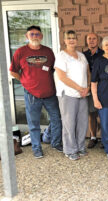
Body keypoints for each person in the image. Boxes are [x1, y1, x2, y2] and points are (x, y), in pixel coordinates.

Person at [9, 25, 62, 159]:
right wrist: (25, 81)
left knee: (56, 119)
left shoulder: (48, 52)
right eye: (32, 34)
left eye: (37, 34)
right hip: (31, 94)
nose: (35, 37)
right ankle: (36, 148)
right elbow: (13, 71)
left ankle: (55, 143)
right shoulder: (20, 52)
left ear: (41, 36)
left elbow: (54, 70)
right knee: (34, 123)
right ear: (27, 36)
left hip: (50, 93)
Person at [55, 30, 90, 161]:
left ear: (77, 40)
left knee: (82, 122)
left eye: (74, 38)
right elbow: (62, 77)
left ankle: (80, 147)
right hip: (68, 93)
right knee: (69, 123)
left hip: (82, 94)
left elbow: (88, 72)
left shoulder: (81, 55)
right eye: (68, 38)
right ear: (64, 41)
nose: (71, 40)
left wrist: (86, 88)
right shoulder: (61, 56)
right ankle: (70, 149)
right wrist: (79, 88)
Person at [83, 33, 104, 149]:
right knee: (92, 113)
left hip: (102, 88)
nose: (91, 41)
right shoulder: (82, 55)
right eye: (89, 39)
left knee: (102, 114)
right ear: (86, 41)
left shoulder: (103, 54)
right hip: (88, 88)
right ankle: (93, 137)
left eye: (94, 39)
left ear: (98, 40)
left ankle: (103, 138)